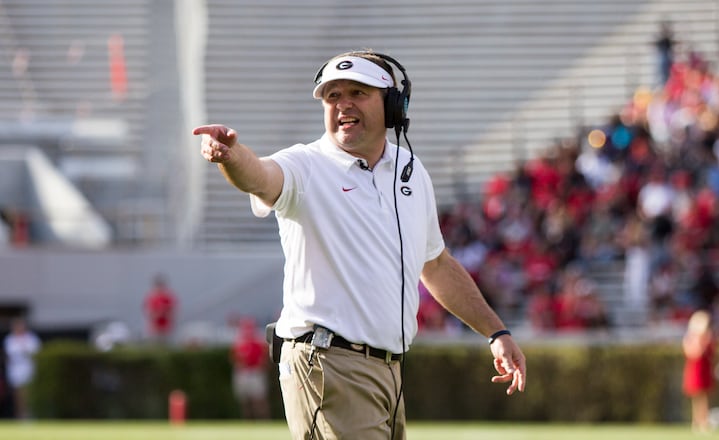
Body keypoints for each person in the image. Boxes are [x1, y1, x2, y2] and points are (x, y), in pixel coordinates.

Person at [194, 50, 526, 439]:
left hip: (389, 370)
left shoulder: (411, 170)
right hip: (327, 363)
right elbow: (261, 175)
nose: (342, 104)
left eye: (357, 92)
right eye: (332, 96)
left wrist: (496, 333)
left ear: (392, 105)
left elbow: (435, 265)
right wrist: (231, 156)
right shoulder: (306, 164)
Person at [682, 310, 716, 434]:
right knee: (697, 397)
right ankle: (697, 422)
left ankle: (703, 422)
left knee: (703, 397)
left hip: (704, 369)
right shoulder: (692, 338)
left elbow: (712, 354)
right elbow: (692, 353)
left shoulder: (708, 338)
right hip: (695, 370)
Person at [230, 317, 270, 419]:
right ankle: (248, 421)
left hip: (255, 372)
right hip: (243, 373)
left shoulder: (258, 341)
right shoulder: (239, 342)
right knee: (245, 400)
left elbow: (263, 358)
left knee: (259, 400)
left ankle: (262, 420)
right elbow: (234, 358)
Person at [3, 318, 41, 419]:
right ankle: (20, 415)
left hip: (28, 369)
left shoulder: (31, 339)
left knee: (29, 392)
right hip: (16, 370)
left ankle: (30, 414)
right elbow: (9, 356)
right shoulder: (9, 340)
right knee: (18, 394)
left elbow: (35, 353)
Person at [142, 274, 178, 344]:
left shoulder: (168, 298)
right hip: (154, 328)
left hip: (166, 328)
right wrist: (158, 314)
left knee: (165, 345)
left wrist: (164, 313)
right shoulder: (152, 298)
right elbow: (149, 313)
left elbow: (173, 312)